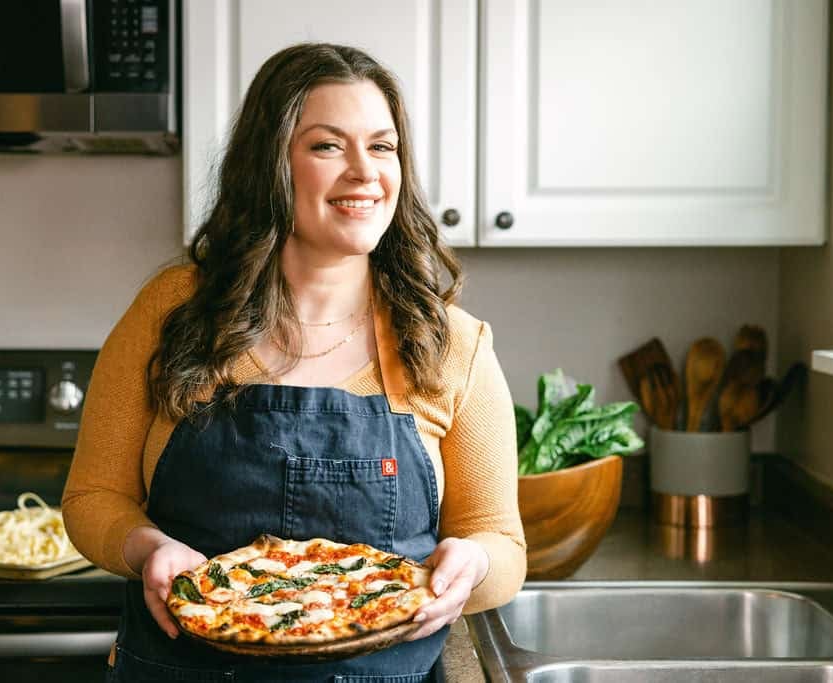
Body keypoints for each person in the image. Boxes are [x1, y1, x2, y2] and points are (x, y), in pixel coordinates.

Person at [62, 42, 526, 682]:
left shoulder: (450, 343)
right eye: (328, 146)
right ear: (270, 165)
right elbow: (92, 498)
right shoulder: (172, 312)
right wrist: (147, 549)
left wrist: (471, 565)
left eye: (382, 146)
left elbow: (502, 544)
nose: (364, 172)